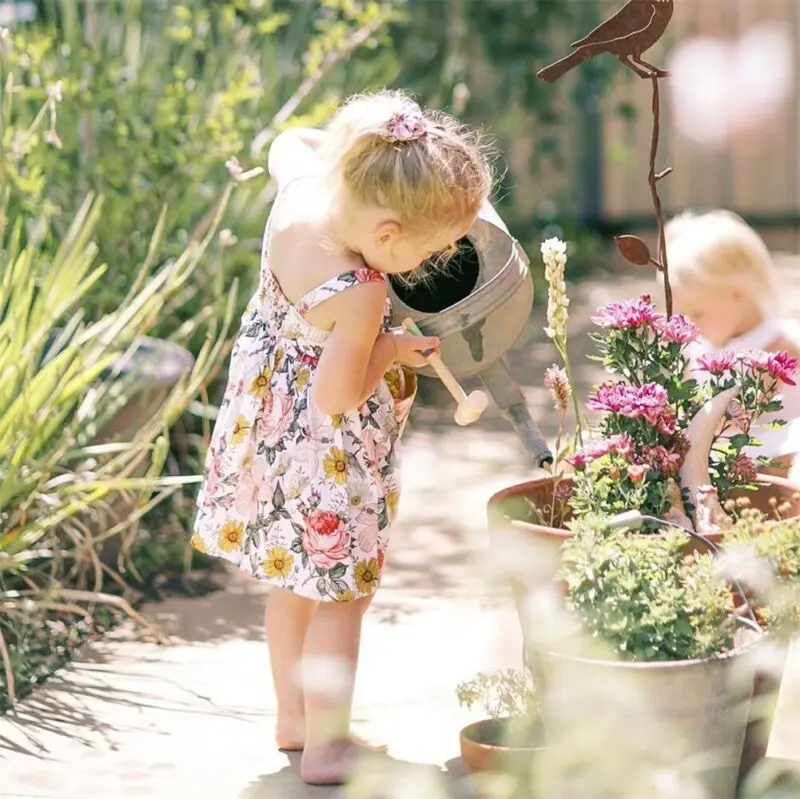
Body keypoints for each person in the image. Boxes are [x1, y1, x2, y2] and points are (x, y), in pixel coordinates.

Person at [190, 89, 493, 785]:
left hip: (270, 436)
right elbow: (338, 394)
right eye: (432, 247)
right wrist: (388, 349)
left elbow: (290, 140)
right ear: (386, 235)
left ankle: (294, 719)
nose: (433, 260)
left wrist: (359, 147)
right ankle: (327, 748)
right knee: (342, 595)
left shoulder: (301, 194)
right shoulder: (361, 291)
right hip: (326, 457)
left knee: (294, 586)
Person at [666, 208, 800, 476]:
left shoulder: (777, 347)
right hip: (721, 462)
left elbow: (739, 417)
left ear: (737, 295)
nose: (689, 323)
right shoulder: (701, 346)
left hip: (773, 458)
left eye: (697, 313)